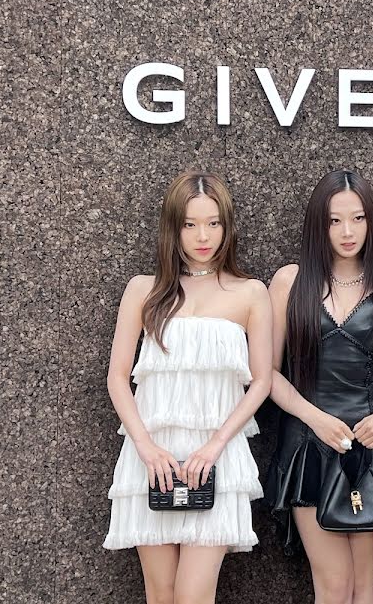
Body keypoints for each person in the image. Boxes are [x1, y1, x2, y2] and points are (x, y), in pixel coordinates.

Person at [103, 171, 273, 604]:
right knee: (160, 594)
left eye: (213, 223)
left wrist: (215, 445)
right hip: (151, 460)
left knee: (193, 595)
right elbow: (118, 377)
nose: (203, 236)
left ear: (226, 226)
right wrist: (145, 447)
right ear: (173, 227)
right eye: (190, 224)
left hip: (215, 458)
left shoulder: (250, 293)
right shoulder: (143, 290)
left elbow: (262, 381)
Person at [264, 169, 373, 604]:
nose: (348, 232)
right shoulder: (290, 282)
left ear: (372, 222)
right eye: (335, 220)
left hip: (367, 445)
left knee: (364, 583)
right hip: (309, 444)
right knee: (334, 584)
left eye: (358, 219)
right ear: (319, 224)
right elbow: (268, 374)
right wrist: (316, 419)